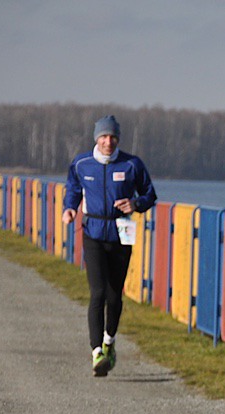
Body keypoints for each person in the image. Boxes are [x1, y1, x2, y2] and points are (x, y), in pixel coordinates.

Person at [62, 115, 156, 377]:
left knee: (114, 296)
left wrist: (135, 204)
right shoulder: (82, 163)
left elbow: (150, 194)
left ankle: (109, 342)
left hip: (121, 235)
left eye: (113, 137)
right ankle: (96, 352)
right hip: (92, 232)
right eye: (103, 136)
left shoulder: (132, 164)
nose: (108, 141)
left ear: (118, 139)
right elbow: (73, 188)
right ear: (96, 138)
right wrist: (69, 208)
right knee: (98, 292)